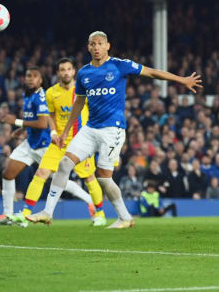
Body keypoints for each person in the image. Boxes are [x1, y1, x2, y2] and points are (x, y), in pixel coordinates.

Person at [26, 31, 202, 228]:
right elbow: (78, 103)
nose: (96, 47)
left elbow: (152, 72)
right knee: (65, 163)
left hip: (113, 130)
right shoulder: (84, 73)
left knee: (103, 178)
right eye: (93, 44)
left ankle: (124, 217)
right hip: (90, 128)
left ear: (108, 46)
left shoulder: (120, 65)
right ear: (88, 47)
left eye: (100, 43)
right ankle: (48, 212)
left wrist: (182, 80)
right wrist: (66, 131)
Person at [0, 67, 93, 226]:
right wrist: (22, 129)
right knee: (8, 173)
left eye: (34, 76)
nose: (30, 79)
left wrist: (16, 122)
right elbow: (33, 118)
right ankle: (7, 214)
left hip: (46, 145)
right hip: (30, 143)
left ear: (40, 80)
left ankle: (89, 200)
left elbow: (43, 122)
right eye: (28, 76)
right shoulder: (27, 95)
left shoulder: (42, 96)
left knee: (59, 179)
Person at [15, 57, 108, 227]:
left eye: (69, 69)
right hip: (59, 142)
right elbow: (51, 115)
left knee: (89, 178)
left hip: (81, 143)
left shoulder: (84, 91)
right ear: (58, 73)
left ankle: (100, 214)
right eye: (62, 70)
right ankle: (26, 212)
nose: (66, 72)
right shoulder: (51, 93)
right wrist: (52, 132)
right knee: (41, 173)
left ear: (74, 72)